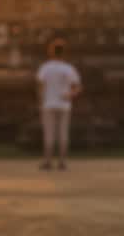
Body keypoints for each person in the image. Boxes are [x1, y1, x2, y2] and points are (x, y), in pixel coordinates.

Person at [36, 38, 81, 171]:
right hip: (64, 104)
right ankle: (62, 162)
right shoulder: (68, 68)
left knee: (49, 134)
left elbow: (40, 86)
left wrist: (41, 100)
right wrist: (70, 95)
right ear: (64, 53)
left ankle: (47, 161)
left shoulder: (45, 67)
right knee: (63, 133)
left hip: (48, 103)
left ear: (51, 52)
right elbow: (77, 87)